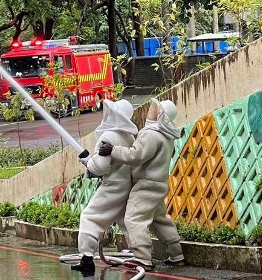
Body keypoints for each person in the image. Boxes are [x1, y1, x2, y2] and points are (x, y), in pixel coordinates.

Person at [98, 98, 185, 271]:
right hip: (159, 185)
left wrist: (113, 150)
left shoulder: (151, 134)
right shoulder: (166, 137)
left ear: (161, 115)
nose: (150, 110)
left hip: (145, 186)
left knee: (134, 219)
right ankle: (177, 254)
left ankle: (143, 258)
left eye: (154, 109)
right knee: (160, 220)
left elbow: (134, 156)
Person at [71, 99, 138, 274]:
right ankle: (140, 254)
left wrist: (87, 162)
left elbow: (101, 167)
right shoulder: (128, 136)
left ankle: (86, 259)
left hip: (112, 187)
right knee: (125, 220)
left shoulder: (108, 137)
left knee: (90, 217)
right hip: (126, 186)